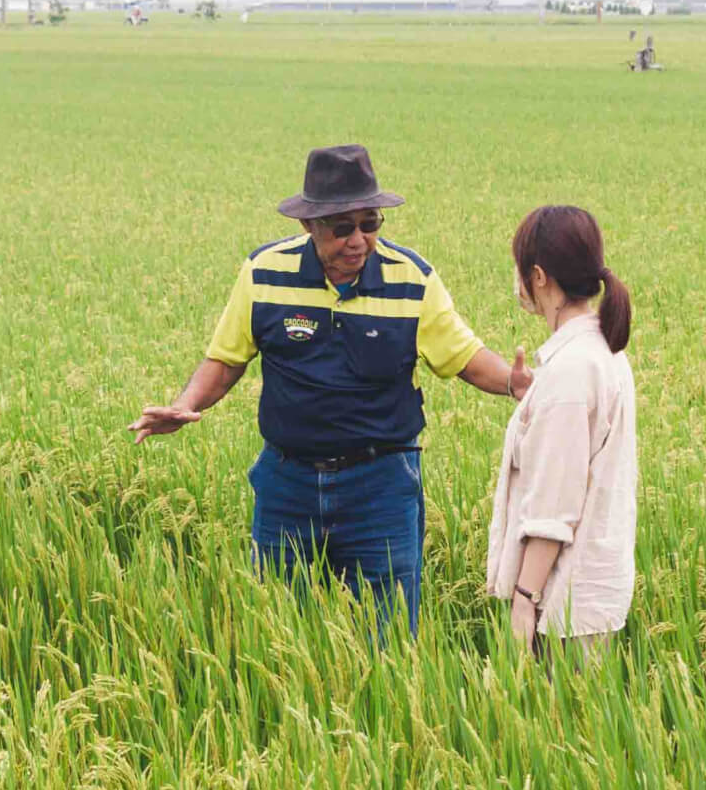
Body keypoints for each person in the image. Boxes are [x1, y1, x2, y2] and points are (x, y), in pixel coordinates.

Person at [129, 143, 531, 633]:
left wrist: (514, 383)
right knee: (279, 634)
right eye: (343, 227)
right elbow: (227, 357)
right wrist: (185, 405)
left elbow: (464, 357)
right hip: (287, 484)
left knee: (384, 640)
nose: (359, 240)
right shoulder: (264, 274)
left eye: (370, 224)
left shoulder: (412, 280)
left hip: (381, 486)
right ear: (309, 225)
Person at [487, 206, 636, 665]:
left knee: (556, 728)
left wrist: (524, 600)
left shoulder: (572, 370)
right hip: (589, 601)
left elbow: (555, 506)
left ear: (537, 276)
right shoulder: (601, 352)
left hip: (562, 610)